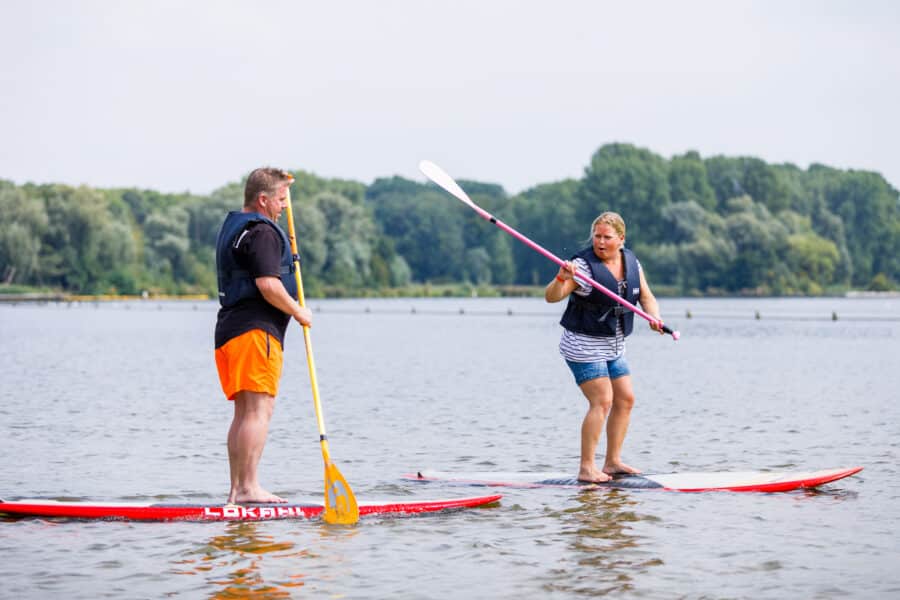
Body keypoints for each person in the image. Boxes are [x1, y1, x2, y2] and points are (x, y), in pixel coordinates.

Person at [214, 167, 312, 504]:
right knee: (258, 411)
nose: (284, 206)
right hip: (255, 332)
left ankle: (237, 489)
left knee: (245, 413)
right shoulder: (263, 233)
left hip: (231, 330)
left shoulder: (236, 227)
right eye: (281, 199)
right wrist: (298, 311)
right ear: (263, 199)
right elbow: (268, 285)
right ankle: (247, 488)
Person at [544, 212, 664, 483]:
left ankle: (612, 462)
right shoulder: (582, 267)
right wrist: (561, 278)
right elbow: (552, 297)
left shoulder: (631, 262)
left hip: (614, 343)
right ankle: (587, 467)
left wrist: (654, 317)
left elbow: (646, 297)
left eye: (606, 237)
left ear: (621, 239)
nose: (600, 242)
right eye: (596, 236)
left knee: (626, 399)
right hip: (583, 344)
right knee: (602, 401)